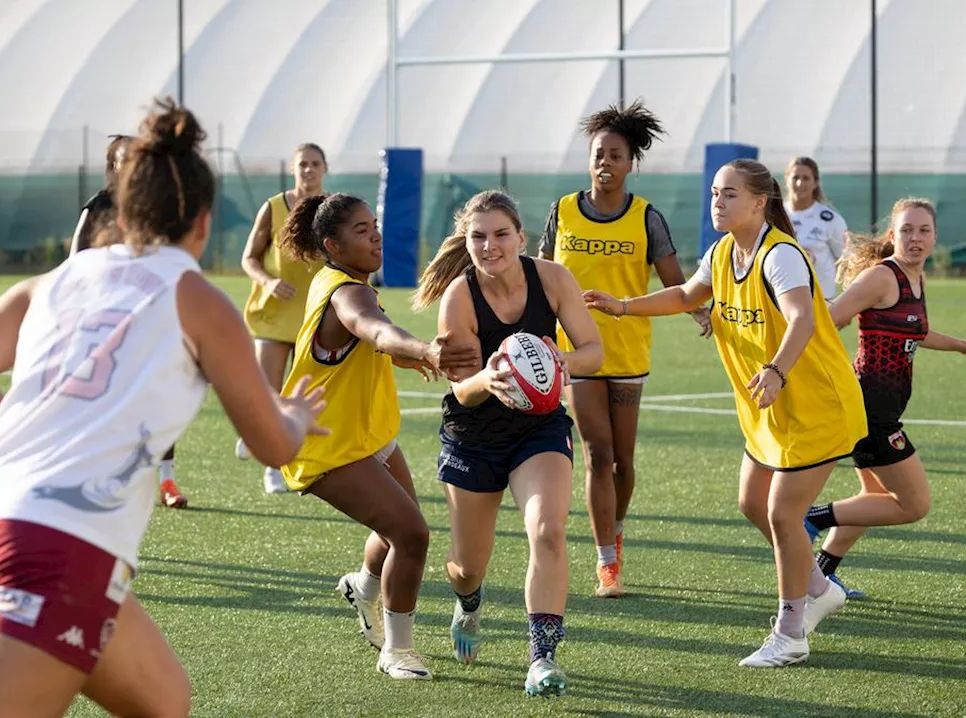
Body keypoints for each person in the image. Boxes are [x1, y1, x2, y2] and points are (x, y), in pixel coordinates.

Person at [0, 97, 326, 717]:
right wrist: (297, 418)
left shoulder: (51, 281)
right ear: (202, 222)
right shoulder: (196, 300)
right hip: (55, 544)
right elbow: (272, 447)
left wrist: (40, 437)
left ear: (123, 209)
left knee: (164, 699)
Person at [585, 159, 865, 667]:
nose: (718, 201)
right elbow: (688, 295)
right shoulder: (721, 253)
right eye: (715, 192)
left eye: (729, 194)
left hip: (815, 403)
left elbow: (801, 316)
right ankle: (819, 587)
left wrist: (777, 370)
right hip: (768, 408)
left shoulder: (780, 255)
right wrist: (622, 306)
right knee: (751, 501)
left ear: (759, 202)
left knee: (782, 513)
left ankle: (791, 632)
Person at [277, 191, 478, 681]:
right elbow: (374, 330)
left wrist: (409, 354)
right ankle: (397, 650)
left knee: (394, 533)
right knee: (411, 534)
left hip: (363, 432)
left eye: (375, 226)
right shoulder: (350, 292)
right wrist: (425, 350)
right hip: (328, 443)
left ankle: (362, 588)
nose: (375, 236)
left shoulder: (334, 279)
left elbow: (371, 342)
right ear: (332, 244)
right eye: (361, 231)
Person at [411, 190, 604, 696]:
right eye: (478, 237)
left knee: (548, 531)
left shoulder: (553, 278)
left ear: (521, 236)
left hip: (536, 429)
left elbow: (593, 351)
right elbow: (460, 388)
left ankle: (542, 657)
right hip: (473, 434)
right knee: (466, 566)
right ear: (466, 241)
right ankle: (469, 604)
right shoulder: (459, 296)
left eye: (501, 235)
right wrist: (491, 381)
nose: (490, 246)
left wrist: (557, 362)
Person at [539, 100, 711, 598]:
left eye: (616, 155)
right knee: (597, 453)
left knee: (623, 463)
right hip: (578, 353)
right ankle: (606, 561)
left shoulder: (646, 218)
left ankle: (615, 527)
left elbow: (678, 284)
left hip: (630, 352)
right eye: (598, 154)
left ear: (630, 162)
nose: (605, 163)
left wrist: (701, 310)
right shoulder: (563, 211)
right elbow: (543, 274)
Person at [803, 198, 966, 597]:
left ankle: (821, 574)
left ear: (935, 237)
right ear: (893, 236)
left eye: (924, 230)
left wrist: (963, 344)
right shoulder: (881, 277)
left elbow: (915, 331)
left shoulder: (915, 280)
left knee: (873, 498)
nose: (916, 238)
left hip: (882, 408)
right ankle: (811, 517)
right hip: (872, 413)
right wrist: (799, 371)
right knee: (913, 504)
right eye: (907, 230)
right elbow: (830, 320)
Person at [71, 133, 188, 509]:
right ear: (114, 165)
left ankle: (167, 482)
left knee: (161, 393)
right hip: (106, 315)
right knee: (108, 395)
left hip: (151, 311)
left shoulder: (160, 208)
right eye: (124, 159)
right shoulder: (99, 206)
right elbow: (76, 258)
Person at [238, 143, 328, 492]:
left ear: (324, 169)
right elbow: (249, 258)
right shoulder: (274, 208)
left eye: (315, 164)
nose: (308, 170)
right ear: (293, 169)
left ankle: (302, 463)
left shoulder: (333, 210)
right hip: (275, 316)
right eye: (302, 164)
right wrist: (268, 281)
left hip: (316, 317)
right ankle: (272, 468)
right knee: (269, 393)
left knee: (306, 395)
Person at [785, 157, 849, 300]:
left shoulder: (830, 220)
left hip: (821, 301)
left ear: (815, 183)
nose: (799, 183)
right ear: (787, 179)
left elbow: (846, 262)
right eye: (795, 177)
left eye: (806, 178)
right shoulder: (775, 216)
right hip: (784, 301)